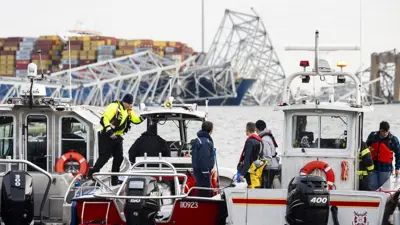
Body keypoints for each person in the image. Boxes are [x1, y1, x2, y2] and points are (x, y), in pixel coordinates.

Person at [87, 94, 145, 185]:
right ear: (124, 102)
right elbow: (104, 119)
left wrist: (144, 116)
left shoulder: (128, 111)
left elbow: (136, 120)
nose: (130, 106)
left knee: (119, 157)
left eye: (131, 104)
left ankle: (114, 179)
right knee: (104, 157)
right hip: (106, 135)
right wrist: (109, 131)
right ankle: (91, 174)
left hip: (117, 137)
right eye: (129, 104)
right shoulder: (114, 106)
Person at [366, 121, 400, 190]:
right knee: (372, 186)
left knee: (384, 189)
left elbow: (398, 154)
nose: (385, 133)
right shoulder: (373, 136)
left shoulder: (393, 140)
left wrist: (397, 168)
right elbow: (365, 147)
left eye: (386, 131)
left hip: (385, 169)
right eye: (383, 131)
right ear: (379, 129)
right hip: (373, 167)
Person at [191, 121, 215, 197]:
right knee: (205, 191)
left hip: (197, 170)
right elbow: (204, 158)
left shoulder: (198, 140)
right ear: (211, 130)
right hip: (203, 171)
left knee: (200, 189)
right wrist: (205, 172)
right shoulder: (206, 142)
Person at [236, 122, 264, 188]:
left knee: (251, 188)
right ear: (254, 129)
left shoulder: (250, 142)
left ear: (247, 129)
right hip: (257, 171)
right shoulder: (260, 141)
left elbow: (247, 159)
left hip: (250, 172)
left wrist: (242, 174)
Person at [255, 120, 280, 188]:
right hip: (274, 165)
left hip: (270, 168)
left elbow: (267, 157)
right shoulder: (268, 136)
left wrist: (257, 165)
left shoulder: (264, 139)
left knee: (266, 189)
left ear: (256, 129)